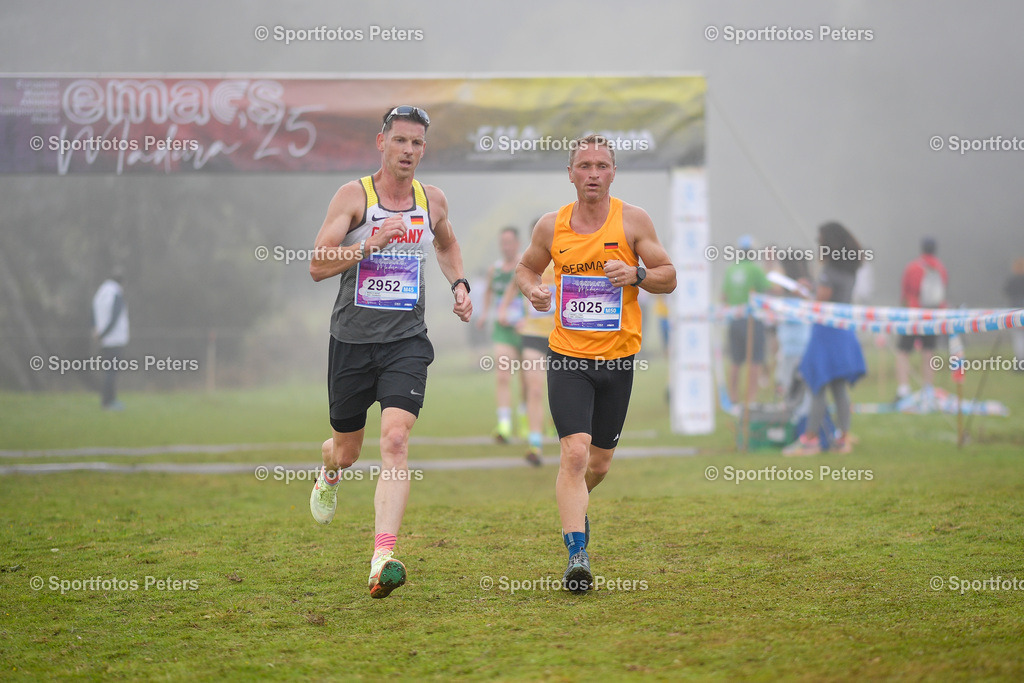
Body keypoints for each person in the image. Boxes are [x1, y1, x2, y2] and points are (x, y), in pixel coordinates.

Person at [307, 105, 473, 599]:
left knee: (396, 441)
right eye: (399, 141)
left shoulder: (432, 200)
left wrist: (459, 283)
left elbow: (446, 244)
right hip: (352, 342)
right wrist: (370, 243)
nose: (408, 151)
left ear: (425, 149)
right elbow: (317, 265)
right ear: (381, 142)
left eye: (417, 143)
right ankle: (328, 469)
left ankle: (382, 556)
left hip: (406, 341)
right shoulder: (354, 196)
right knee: (348, 450)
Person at [515, 134, 676, 594]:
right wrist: (533, 290)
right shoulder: (551, 226)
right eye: (583, 165)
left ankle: (576, 502)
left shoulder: (633, 221)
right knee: (574, 453)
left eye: (601, 165)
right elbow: (525, 269)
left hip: (619, 361)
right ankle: (577, 554)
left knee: (599, 465)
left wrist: (638, 274)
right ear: (570, 173)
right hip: (567, 357)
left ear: (613, 173)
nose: (592, 174)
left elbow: (669, 276)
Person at [783, 222, 866, 456]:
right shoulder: (850, 270)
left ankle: (810, 440)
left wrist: (803, 293)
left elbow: (819, 305)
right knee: (838, 387)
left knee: (816, 383)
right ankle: (844, 438)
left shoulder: (829, 271)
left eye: (820, 241)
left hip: (826, 333)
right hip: (844, 331)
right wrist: (812, 289)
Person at [501, 260, 555, 466]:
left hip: (561, 335)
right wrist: (506, 312)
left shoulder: (570, 258)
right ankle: (535, 445)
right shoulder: (530, 262)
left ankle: (556, 426)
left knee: (560, 390)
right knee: (534, 390)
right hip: (532, 335)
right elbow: (514, 284)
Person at [479, 226, 527, 443]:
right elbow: (490, 291)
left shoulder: (525, 266)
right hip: (502, 329)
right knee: (502, 375)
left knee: (527, 379)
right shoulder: (495, 270)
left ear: (517, 243)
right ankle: (504, 424)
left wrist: (525, 318)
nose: (505, 247)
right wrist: (485, 313)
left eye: (509, 242)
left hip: (525, 330)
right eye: (503, 243)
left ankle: (525, 421)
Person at [895, 236, 948, 402]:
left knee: (903, 352)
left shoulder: (913, 267)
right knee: (928, 352)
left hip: (912, 314)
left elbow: (905, 291)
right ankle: (928, 389)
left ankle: (903, 389)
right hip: (932, 315)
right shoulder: (940, 268)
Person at [721, 235, 770, 405]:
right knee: (754, 360)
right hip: (752, 320)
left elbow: (723, 296)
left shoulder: (731, 270)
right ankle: (751, 398)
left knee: (735, 361)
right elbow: (766, 291)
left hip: (734, 320)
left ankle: (733, 396)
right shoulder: (755, 270)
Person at [91, 267, 129, 410]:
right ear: (122, 282)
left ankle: (107, 400)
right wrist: (104, 333)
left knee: (108, 371)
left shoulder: (100, 293)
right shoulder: (116, 294)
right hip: (115, 339)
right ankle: (109, 402)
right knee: (111, 372)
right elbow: (115, 317)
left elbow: (92, 312)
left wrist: (96, 330)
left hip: (104, 340)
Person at [1005, 258, 1024, 368]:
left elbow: (1006, 291)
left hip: (1015, 311)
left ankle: (1020, 361)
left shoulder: (1012, 280)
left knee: (1018, 337)